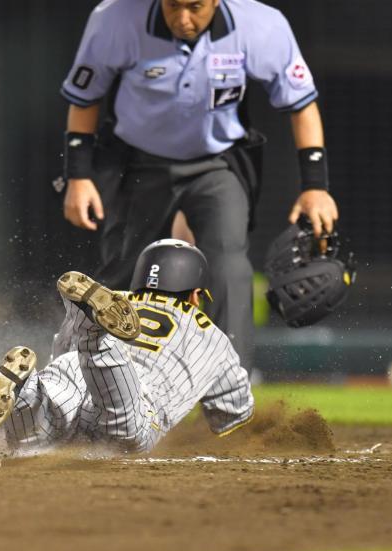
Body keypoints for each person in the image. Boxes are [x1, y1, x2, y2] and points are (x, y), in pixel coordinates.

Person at [59, 0, 339, 372]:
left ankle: (229, 386)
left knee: (228, 263)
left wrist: (315, 186)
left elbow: (302, 105)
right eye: (173, 5)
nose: (183, 19)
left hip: (217, 162)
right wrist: (78, 176)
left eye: (195, 6)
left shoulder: (260, 24)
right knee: (123, 275)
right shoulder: (115, 18)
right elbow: (84, 98)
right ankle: (82, 382)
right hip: (139, 162)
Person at [0, 239, 253, 454]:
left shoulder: (120, 298)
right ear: (195, 295)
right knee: (124, 436)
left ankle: (27, 393)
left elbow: (61, 353)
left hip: (71, 370)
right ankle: (98, 339)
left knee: (34, 441)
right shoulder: (212, 335)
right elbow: (233, 415)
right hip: (135, 393)